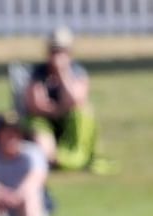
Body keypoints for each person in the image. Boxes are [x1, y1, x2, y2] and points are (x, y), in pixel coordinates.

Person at [23, 26, 98, 171]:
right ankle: (52, 160)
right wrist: (56, 110)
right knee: (41, 138)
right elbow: (35, 104)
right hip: (43, 119)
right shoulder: (38, 73)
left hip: (69, 118)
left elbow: (76, 100)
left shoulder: (77, 71)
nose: (57, 55)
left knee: (83, 113)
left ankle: (74, 158)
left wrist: (63, 73)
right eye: (54, 51)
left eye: (62, 51)